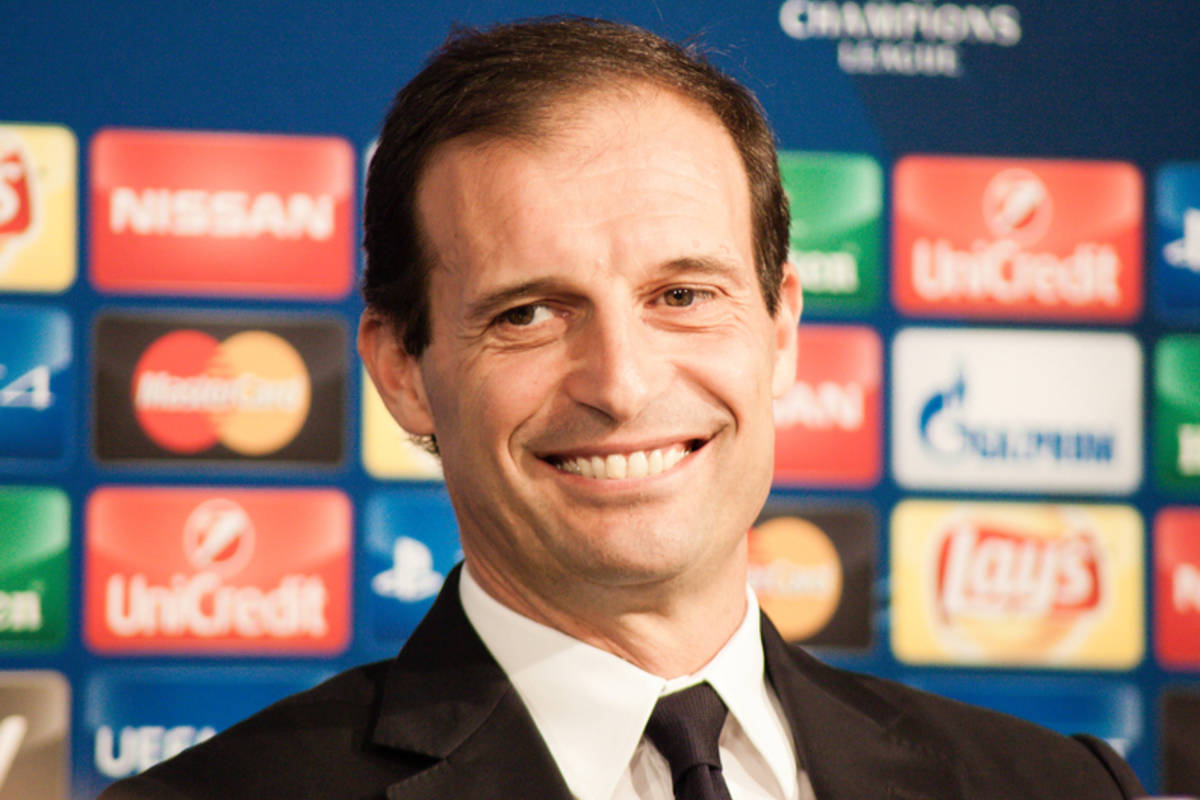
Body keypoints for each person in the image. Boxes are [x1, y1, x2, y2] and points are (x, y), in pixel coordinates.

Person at [100, 16, 1147, 800]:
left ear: (781, 330)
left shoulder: (1056, 786)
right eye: (528, 313)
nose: (623, 382)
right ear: (403, 369)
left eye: (683, 296)